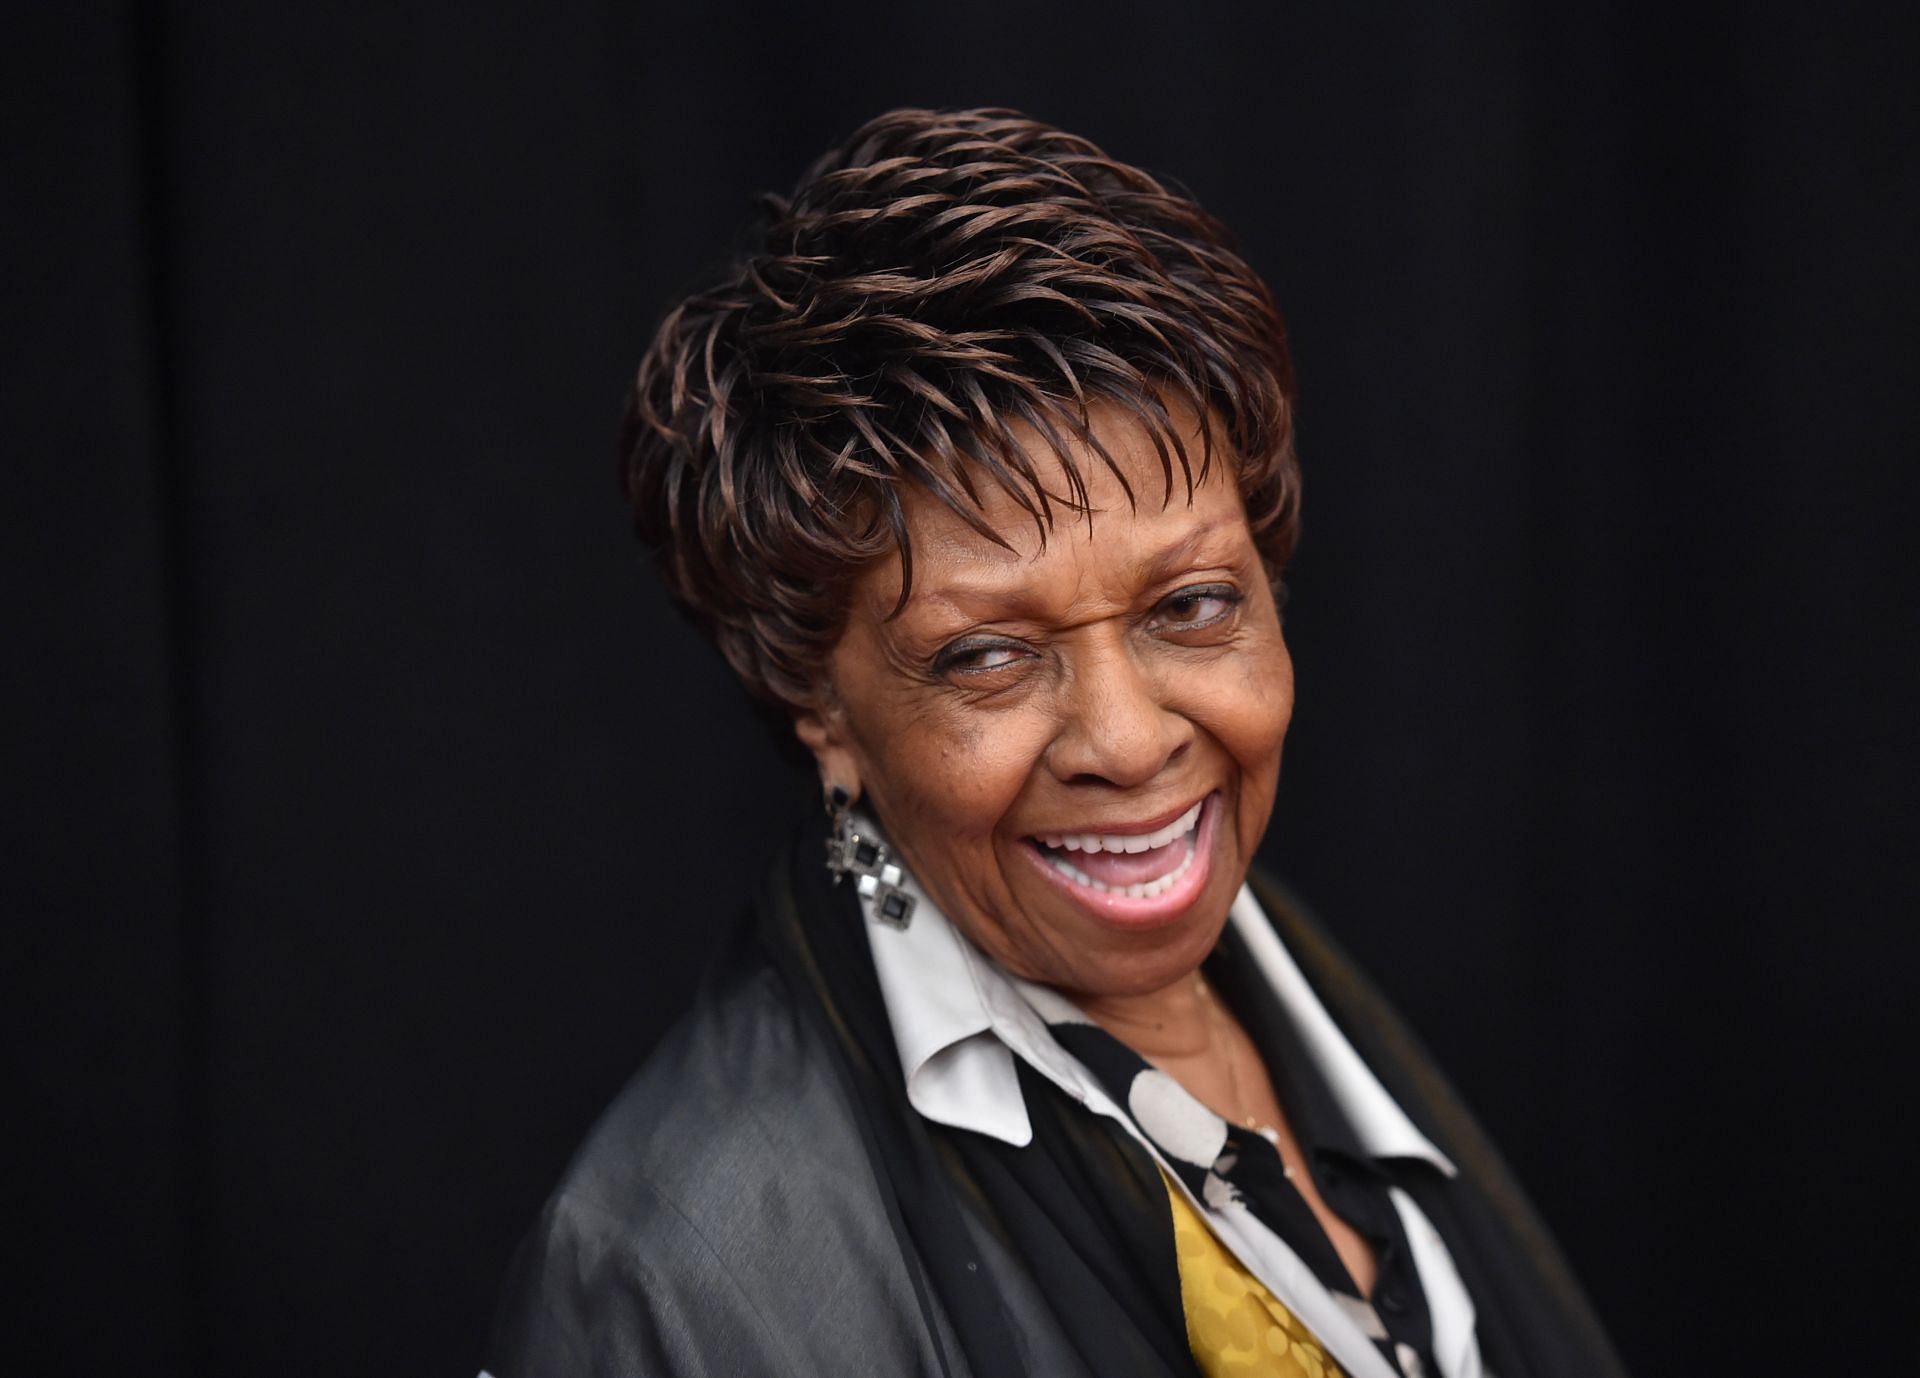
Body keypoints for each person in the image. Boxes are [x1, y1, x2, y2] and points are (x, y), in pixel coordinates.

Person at [484, 108, 1626, 1378]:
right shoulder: (680, 1278)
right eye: (987, 655)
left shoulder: (1297, 988)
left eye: (1191, 605)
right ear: (820, 701)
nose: (1129, 743)